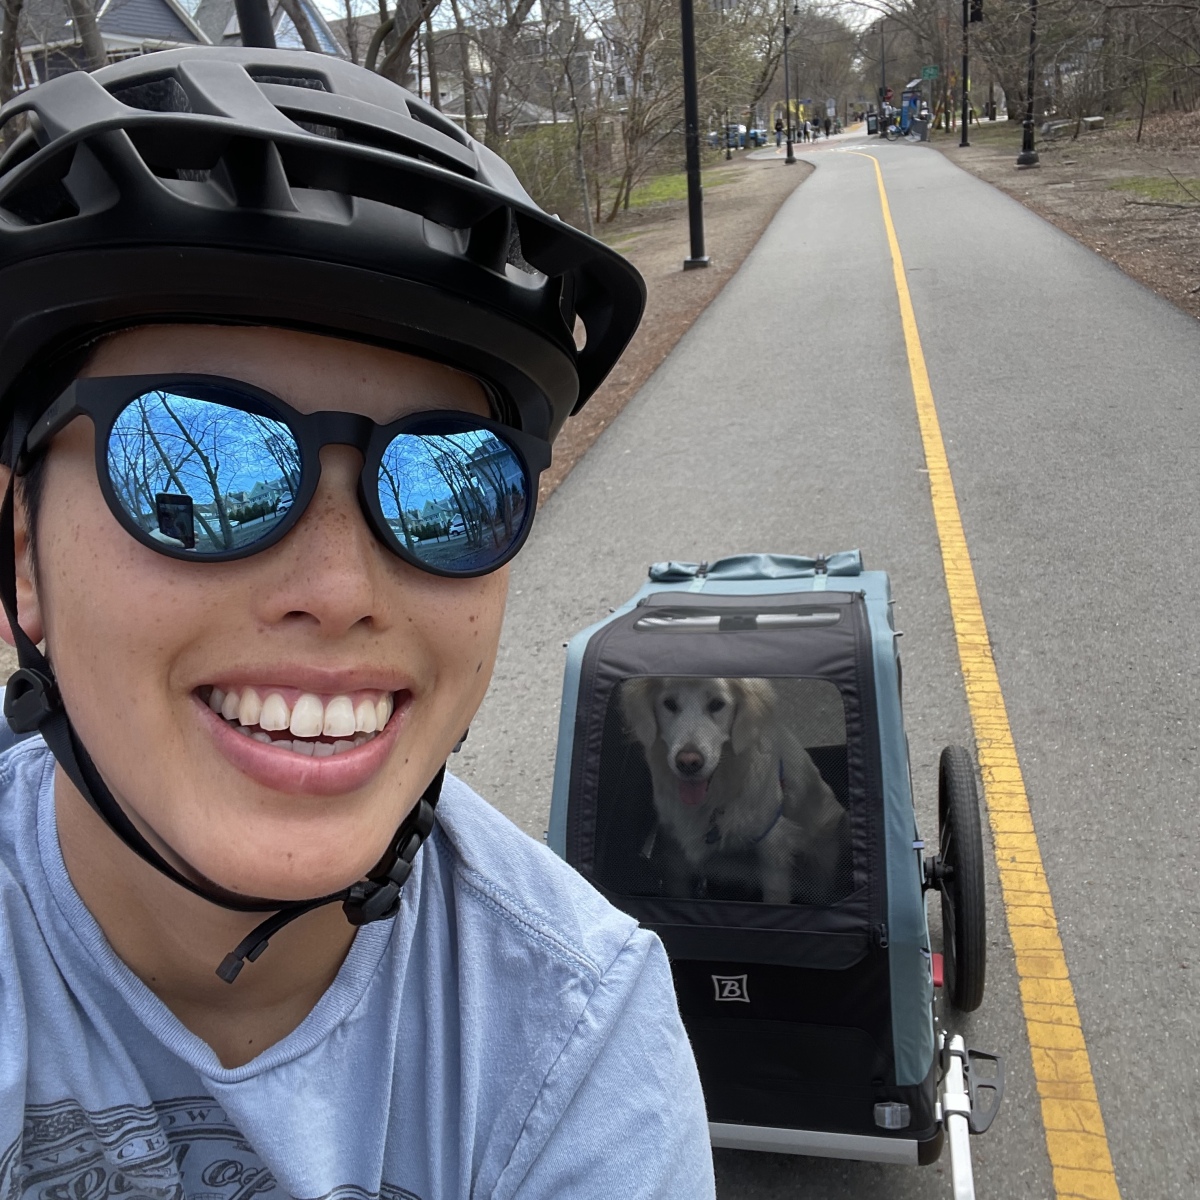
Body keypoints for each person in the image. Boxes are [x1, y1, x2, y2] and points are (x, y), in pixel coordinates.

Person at [0, 45, 715, 1200]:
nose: (339, 588)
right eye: (200, 446)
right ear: (20, 554)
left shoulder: (577, 1044)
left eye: (448, 486)